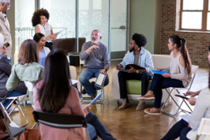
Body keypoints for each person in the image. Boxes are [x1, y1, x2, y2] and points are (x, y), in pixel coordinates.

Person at [33, 49, 116, 140]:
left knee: (91, 116)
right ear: (64, 67)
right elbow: (80, 119)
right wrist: (85, 110)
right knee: (91, 127)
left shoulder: (37, 87)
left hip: (48, 134)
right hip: (69, 135)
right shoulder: (70, 91)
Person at [161, 47, 210, 140]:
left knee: (184, 130)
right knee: (183, 122)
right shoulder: (206, 93)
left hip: (206, 133)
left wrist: (197, 100)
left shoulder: (205, 95)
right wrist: (196, 93)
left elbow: (194, 124)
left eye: (208, 54)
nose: (207, 56)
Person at [138, 35, 192, 115]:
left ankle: (155, 106)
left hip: (182, 81)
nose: (167, 44)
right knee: (157, 74)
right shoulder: (172, 53)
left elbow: (184, 76)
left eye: (169, 43)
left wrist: (169, 76)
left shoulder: (181, 57)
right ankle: (150, 93)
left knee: (157, 84)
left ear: (175, 45)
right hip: (175, 77)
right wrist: (163, 68)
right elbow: (172, 66)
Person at [116, 33, 154, 110]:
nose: (129, 45)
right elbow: (124, 62)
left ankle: (142, 101)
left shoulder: (147, 54)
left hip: (141, 74)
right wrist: (120, 65)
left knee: (146, 75)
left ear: (136, 46)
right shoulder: (129, 53)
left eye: (131, 43)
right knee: (121, 73)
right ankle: (125, 100)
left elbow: (150, 68)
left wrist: (136, 70)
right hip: (131, 73)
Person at [6, 39, 44, 105]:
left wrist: (20, 81)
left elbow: (9, 86)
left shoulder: (16, 67)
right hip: (44, 103)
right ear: (35, 52)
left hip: (34, 103)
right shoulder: (40, 69)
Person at [79, 30, 110, 99]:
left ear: (100, 37)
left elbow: (107, 62)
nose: (93, 36)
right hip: (88, 68)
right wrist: (90, 48)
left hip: (100, 68)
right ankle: (92, 92)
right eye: (92, 35)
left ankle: (90, 87)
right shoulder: (86, 45)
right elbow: (82, 57)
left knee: (105, 80)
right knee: (82, 79)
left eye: (96, 35)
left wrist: (105, 69)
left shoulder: (104, 47)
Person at [0, 33, 26, 112]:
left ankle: (5, 107)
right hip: (3, 88)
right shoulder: (1, 58)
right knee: (27, 85)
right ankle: (4, 107)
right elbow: (12, 72)